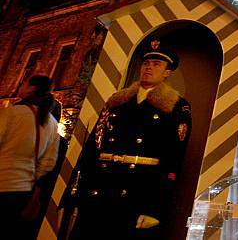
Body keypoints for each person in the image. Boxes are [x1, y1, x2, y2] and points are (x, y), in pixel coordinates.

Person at [69, 40, 191, 240]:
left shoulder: (176, 107)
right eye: (146, 63)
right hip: (99, 189)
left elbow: (173, 159)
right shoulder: (117, 101)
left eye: (156, 64)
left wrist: (154, 208)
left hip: (137, 193)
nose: (149, 67)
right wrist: (80, 190)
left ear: (167, 73)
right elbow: (94, 146)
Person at [0, 74, 60, 239]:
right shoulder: (53, 124)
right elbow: (48, 163)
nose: (20, 86)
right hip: (23, 193)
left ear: (31, 89)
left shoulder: (11, 113)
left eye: (23, 83)